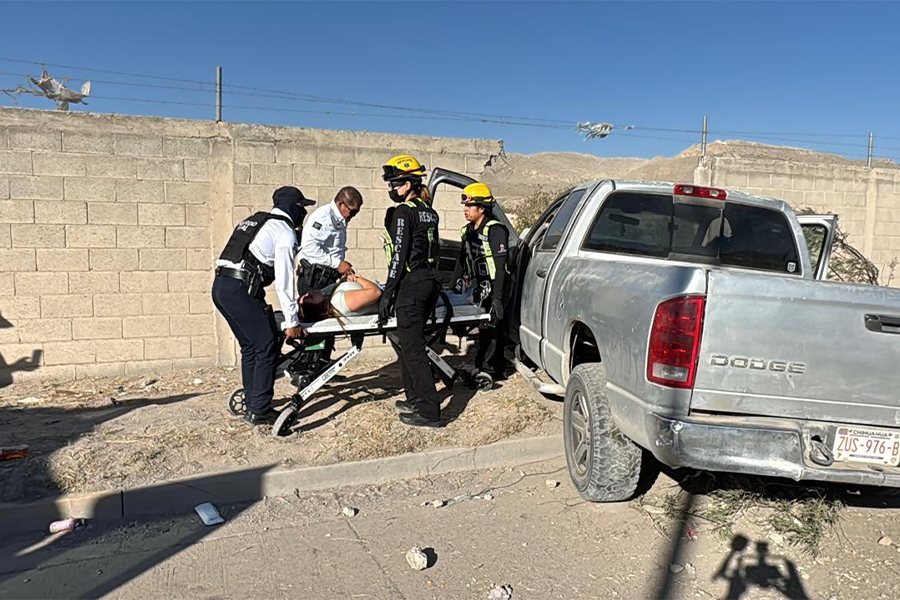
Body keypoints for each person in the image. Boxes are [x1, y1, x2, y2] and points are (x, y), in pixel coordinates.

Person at [212, 186, 314, 426]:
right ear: (293, 207)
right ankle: (260, 411)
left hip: (222, 286)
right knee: (266, 346)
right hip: (240, 290)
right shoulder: (284, 232)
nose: (304, 212)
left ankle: (252, 401)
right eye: (302, 206)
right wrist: (292, 321)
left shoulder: (256, 221)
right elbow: (285, 282)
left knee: (250, 347)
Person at [377, 154, 443, 428]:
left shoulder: (404, 212)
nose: (391, 189)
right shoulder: (430, 211)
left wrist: (387, 292)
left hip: (412, 286)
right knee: (408, 345)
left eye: (395, 183)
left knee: (413, 349)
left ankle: (429, 411)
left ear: (409, 184)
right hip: (429, 282)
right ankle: (414, 399)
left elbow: (399, 256)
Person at [450, 182, 512, 385]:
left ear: (482, 208)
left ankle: (489, 369)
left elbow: (501, 267)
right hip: (481, 286)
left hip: (496, 285)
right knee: (484, 327)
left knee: (491, 326)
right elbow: (461, 261)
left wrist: (498, 298)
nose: (465, 210)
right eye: (465, 206)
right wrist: (452, 286)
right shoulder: (468, 231)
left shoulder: (495, 230)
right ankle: (488, 365)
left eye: (470, 206)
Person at [297, 186, 363, 296]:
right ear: (341, 204)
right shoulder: (324, 217)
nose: (353, 216)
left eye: (356, 212)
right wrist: (338, 264)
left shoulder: (340, 218)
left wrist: (343, 269)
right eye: (352, 211)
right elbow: (309, 247)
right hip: (314, 280)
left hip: (327, 278)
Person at [298, 274, 383, 321]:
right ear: (317, 307)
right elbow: (375, 292)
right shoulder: (341, 302)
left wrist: (346, 279)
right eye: (310, 297)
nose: (309, 292)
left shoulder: (324, 295)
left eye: (305, 294)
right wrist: (358, 279)